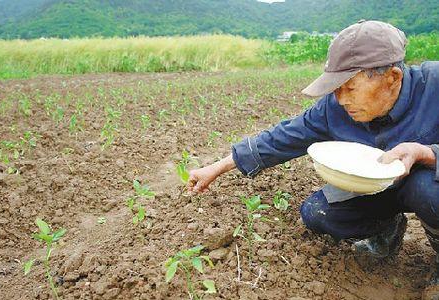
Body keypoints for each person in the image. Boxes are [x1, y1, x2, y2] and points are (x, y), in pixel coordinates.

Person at [187, 20, 439, 298]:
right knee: (318, 213)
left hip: (427, 182)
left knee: (429, 190)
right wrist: (218, 167)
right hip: (376, 187)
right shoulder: (335, 107)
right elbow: (283, 137)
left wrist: (426, 153)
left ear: (392, 77)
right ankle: (388, 229)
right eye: (336, 89)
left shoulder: (434, 86)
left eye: (350, 88)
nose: (341, 100)